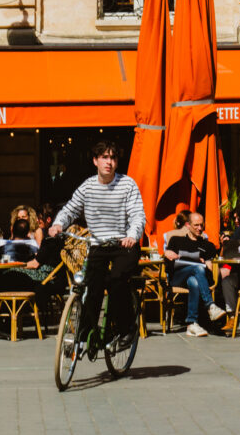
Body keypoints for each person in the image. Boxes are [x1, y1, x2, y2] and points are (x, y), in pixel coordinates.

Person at [48, 140, 145, 350]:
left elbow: (137, 215)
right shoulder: (88, 187)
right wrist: (57, 224)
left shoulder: (127, 184)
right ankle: (84, 337)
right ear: (95, 161)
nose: (109, 162)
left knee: (117, 280)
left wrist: (131, 235)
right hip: (99, 244)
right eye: (104, 157)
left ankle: (126, 328)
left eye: (113, 158)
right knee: (92, 288)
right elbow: (70, 209)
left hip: (123, 244)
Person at [164, 212, 226, 337]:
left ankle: (192, 323)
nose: (199, 228)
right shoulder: (176, 240)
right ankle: (210, 306)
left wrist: (211, 264)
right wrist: (166, 253)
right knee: (197, 267)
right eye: (196, 225)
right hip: (178, 277)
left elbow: (209, 266)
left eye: (201, 225)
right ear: (188, 225)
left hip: (197, 278)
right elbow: (168, 256)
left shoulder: (207, 245)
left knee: (194, 282)